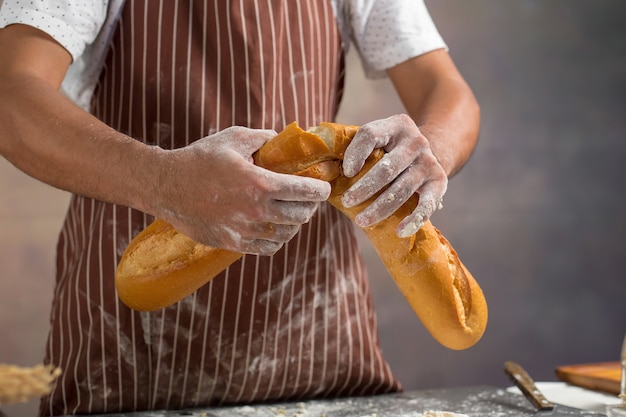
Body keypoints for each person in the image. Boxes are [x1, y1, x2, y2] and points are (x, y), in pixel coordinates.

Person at [0, 0, 480, 415]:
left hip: (322, 353)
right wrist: (165, 182)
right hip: (128, 360)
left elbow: (445, 89)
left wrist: (428, 150)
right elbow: (12, 94)